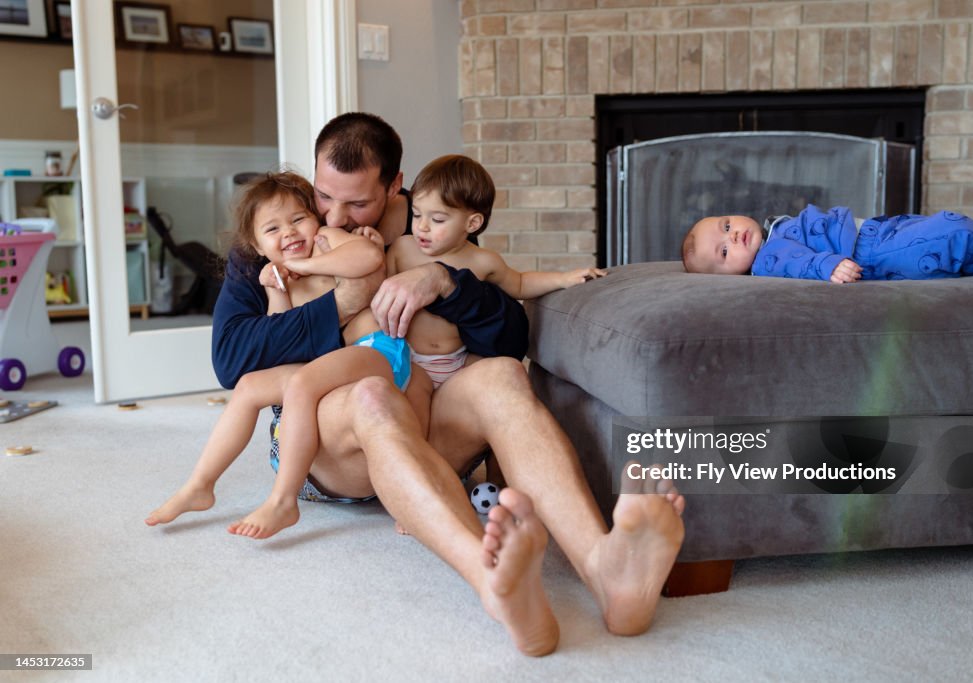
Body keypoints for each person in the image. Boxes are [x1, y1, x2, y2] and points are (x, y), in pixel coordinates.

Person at [209, 112, 686, 656]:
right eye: (323, 195)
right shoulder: (278, 232)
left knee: (503, 376)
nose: (330, 216)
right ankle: (493, 585)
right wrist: (343, 302)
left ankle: (608, 571)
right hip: (331, 440)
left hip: (429, 419)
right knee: (372, 393)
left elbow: (509, 336)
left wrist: (445, 283)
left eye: (358, 203)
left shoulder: (433, 216)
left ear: (395, 186)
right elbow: (231, 360)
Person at [145, 172, 420, 539]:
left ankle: (283, 501)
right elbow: (281, 341)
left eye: (297, 220)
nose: (289, 233)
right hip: (332, 366)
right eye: (272, 229)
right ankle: (199, 485)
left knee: (303, 385)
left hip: (377, 352)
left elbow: (368, 255)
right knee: (248, 387)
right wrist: (277, 288)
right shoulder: (273, 275)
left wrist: (306, 267)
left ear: (315, 219)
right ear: (257, 247)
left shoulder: (327, 242)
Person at [389, 154, 605, 386]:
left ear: (472, 224)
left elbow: (520, 283)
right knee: (415, 401)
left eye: (438, 220)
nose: (421, 227)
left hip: (459, 360)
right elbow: (379, 292)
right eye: (417, 214)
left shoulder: (483, 260)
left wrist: (563, 278)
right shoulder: (402, 248)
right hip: (410, 359)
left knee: (510, 376)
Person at [681, 204, 973, 282]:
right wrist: (828, 265)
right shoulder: (768, 258)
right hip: (870, 253)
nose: (732, 235)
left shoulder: (773, 232)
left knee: (933, 229)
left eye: (726, 225)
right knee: (953, 231)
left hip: (877, 231)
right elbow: (798, 263)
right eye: (724, 251)